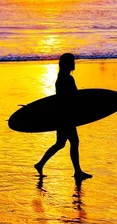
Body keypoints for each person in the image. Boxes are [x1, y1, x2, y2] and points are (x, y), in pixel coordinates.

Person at [35, 53, 92, 181]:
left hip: (61, 115)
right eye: (72, 62)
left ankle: (40, 164)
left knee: (60, 144)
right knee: (73, 142)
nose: (74, 64)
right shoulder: (67, 79)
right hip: (66, 116)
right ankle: (77, 172)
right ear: (67, 64)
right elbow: (73, 97)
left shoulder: (60, 78)